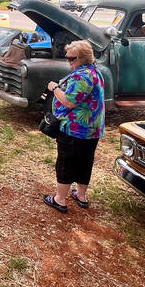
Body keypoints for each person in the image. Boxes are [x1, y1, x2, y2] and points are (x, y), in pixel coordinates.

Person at [42, 39, 105, 213]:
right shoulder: (95, 72)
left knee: (66, 161)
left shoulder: (81, 76)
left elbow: (69, 101)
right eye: (67, 57)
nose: (68, 61)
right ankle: (81, 195)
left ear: (83, 58)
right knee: (85, 161)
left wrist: (54, 88)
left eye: (72, 58)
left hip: (75, 129)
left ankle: (60, 199)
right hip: (92, 130)